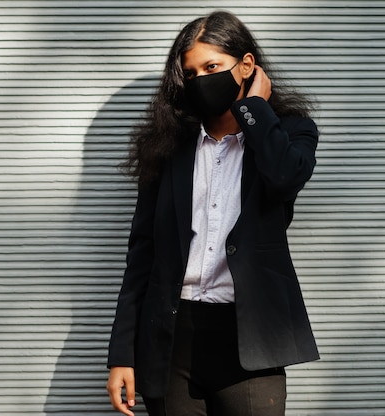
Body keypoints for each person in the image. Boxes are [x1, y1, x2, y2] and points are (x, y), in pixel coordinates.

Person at [106, 10, 319, 416]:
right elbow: (142, 254)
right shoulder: (169, 146)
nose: (201, 80)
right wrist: (122, 354)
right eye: (191, 73)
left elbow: (283, 178)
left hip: (249, 343)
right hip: (171, 343)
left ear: (246, 66)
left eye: (212, 66)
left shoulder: (291, 134)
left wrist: (255, 108)